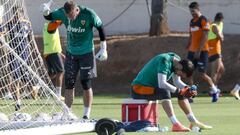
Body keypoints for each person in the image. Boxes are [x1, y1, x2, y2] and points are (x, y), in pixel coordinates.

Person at [42, 0, 108, 119]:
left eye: (71, 16)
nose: (70, 19)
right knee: (69, 84)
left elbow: (100, 27)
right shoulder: (62, 13)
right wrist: (45, 11)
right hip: (71, 53)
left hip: (86, 53)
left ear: (76, 10)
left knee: (85, 83)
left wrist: (104, 48)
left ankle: (86, 115)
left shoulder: (89, 14)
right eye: (68, 17)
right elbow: (49, 17)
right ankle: (67, 113)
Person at [131, 52, 212, 132]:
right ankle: (175, 124)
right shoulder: (164, 61)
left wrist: (188, 89)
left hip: (151, 88)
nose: (180, 76)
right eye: (181, 75)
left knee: (181, 93)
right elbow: (162, 83)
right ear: (180, 67)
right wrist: (179, 90)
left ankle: (193, 121)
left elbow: (177, 82)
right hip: (138, 88)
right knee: (165, 91)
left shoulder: (177, 63)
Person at [187, 2, 219, 102]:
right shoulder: (192, 21)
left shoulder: (203, 20)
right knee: (188, 73)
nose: (192, 13)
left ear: (198, 9)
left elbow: (205, 36)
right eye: (191, 11)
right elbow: (191, 35)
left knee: (202, 74)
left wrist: (198, 51)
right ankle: (191, 95)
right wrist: (189, 45)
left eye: (193, 11)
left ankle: (214, 90)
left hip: (202, 51)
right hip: (192, 51)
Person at [43, 20, 65, 100]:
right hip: (53, 52)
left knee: (52, 74)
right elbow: (60, 21)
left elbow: (52, 40)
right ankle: (58, 94)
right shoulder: (51, 25)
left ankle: (39, 87)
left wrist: (60, 53)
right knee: (60, 72)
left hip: (50, 51)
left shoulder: (47, 25)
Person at [208, 12, 225, 86]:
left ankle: (215, 87)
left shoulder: (219, 24)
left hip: (217, 50)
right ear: (220, 19)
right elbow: (221, 38)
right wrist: (221, 36)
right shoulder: (214, 26)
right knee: (215, 72)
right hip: (214, 50)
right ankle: (213, 90)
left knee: (221, 70)